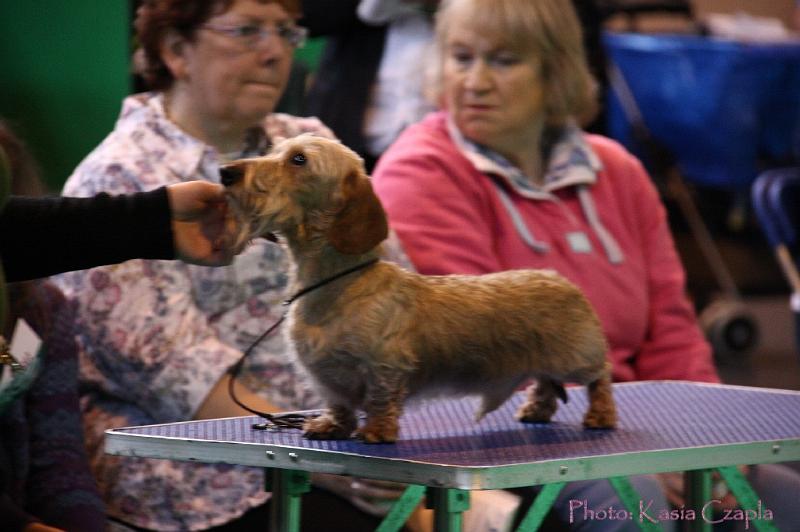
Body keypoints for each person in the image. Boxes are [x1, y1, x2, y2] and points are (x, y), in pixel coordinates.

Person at [371, 0, 800, 530]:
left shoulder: (619, 171)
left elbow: (672, 332)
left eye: (503, 61)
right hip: (503, 440)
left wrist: (706, 443)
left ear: (555, 72)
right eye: (461, 58)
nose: (475, 81)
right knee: (629, 495)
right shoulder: (422, 171)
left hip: (636, 432)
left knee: (779, 499)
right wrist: (641, 449)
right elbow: (488, 360)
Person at [53, 1, 422, 531]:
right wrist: (335, 462)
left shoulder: (306, 137)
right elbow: (180, 378)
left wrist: (396, 445)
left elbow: (392, 293)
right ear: (177, 51)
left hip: (345, 446)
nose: (274, 53)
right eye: (247, 30)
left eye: (284, 32)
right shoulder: (120, 178)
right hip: (208, 474)